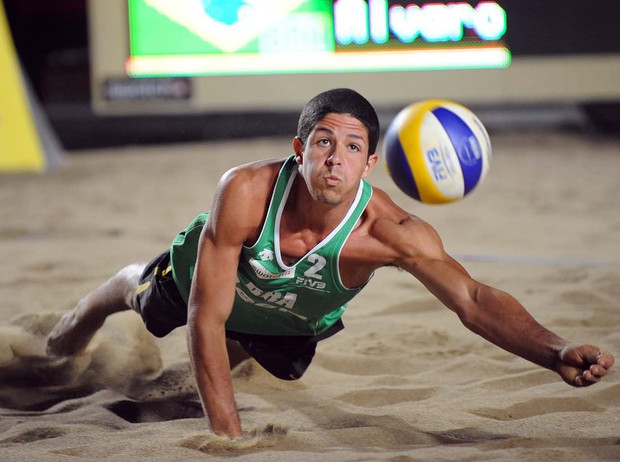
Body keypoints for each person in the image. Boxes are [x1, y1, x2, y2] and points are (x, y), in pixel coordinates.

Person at [46, 88, 614, 439]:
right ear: (300, 148)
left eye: (350, 148)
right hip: (207, 280)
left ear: (370, 163)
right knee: (147, 297)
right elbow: (206, 317)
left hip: (290, 314)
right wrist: (229, 438)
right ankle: (102, 299)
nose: (334, 159)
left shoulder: (391, 234)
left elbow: (472, 300)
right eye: (323, 142)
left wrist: (554, 351)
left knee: (269, 360)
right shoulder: (245, 190)